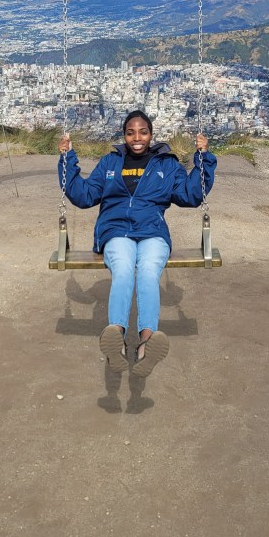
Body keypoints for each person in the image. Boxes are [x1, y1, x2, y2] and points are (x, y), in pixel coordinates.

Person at [58, 109, 216, 378]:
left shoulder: (166, 165)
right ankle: (116, 340)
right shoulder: (110, 163)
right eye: (131, 133)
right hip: (116, 230)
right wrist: (67, 158)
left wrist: (203, 158)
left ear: (151, 135)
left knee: (148, 272)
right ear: (124, 136)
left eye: (143, 132)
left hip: (152, 231)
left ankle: (146, 344)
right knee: (122, 269)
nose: (137, 138)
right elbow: (84, 196)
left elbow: (191, 194)